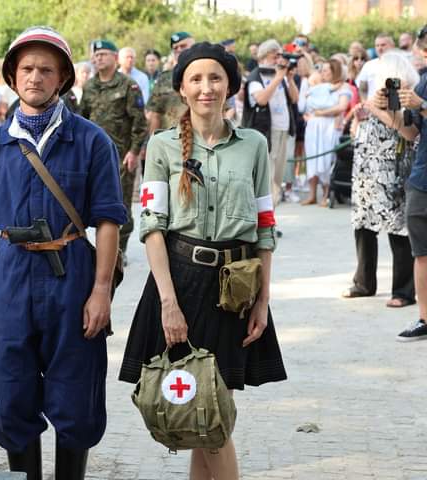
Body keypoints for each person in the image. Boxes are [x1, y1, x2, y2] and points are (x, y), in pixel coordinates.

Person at [0, 26, 126, 480]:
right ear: (13, 77)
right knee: (14, 392)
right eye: (27, 68)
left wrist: (100, 292)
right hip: (12, 276)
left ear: (63, 78)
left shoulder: (92, 141)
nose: (35, 77)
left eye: (46, 69)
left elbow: (109, 220)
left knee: (76, 393)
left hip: (72, 274)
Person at [119, 42, 286, 480]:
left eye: (215, 78)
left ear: (230, 86)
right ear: (182, 88)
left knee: (207, 411)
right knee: (202, 413)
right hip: (180, 284)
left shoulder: (254, 145)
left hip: (234, 290)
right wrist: (168, 303)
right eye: (196, 78)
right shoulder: (161, 146)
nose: (206, 87)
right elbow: (152, 226)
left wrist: (263, 301)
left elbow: (265, 228)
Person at [343, 52, 417, 308]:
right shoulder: (376, 98)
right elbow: (358, 131)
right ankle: (363, 282)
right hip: (366, 171)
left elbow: (408, 132)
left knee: (399, 229)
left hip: (394, 172)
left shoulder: (411, 100)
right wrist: (362, 112)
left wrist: (379, 109)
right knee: (363, 225)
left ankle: (404, 291)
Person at [80, 39, 148, 257]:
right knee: (92, 201)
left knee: (121, 203)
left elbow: (139, 122)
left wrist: (135, 151)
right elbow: (82, 118)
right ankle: (100, 247)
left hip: (121, 155)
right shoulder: (89, 86)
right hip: (93, 155)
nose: (99, 58)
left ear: (115, 57)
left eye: (104, 54)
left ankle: (120, 250)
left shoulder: (128, 85)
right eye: (96, 55)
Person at [242, 39, 299, 206]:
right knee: (266, 180)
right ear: (264, 57)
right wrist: (279, 77)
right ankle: (265, 224)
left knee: (277, 179)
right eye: (275, 57)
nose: (279, 61)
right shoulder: (255, 77)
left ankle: (271, 221)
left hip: (283, 130)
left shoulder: (279, 75)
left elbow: (294, 99)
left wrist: (289, 78)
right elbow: (261, 100)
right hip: (266, 132)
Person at [397, 26, 427, 340]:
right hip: (421, 178)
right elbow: (411, 134)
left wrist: (420, 105)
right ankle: (423, 317)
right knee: (421, 252)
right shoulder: (425, 79)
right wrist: (394, 108)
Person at [300, 59, 352, 206]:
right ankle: (312, 195)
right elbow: (306, 105)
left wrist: (322, 112)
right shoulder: (318, 87)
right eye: (322, 70)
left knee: (327, 157)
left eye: (326, 70)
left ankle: (326, 195)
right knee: (312, 157)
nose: (322, 72)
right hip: (313, 126)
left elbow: (342, 106)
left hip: (329, 126)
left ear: (334, 71)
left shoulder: (344, 87)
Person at [147, 31, 194, 132]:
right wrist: (152, 143)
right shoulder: (164, 78)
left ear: (193, 46)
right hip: (169, 141)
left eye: (183, 46)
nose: (179, 50)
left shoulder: (205, 74)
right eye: (175, 48)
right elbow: (155, 114)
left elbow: (224, 110)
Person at [356, 34, 395, 100]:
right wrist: (365, 103)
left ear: (392, 46)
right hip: (372, 107)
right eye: (377, 45)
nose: (380, 48)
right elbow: (362, 88)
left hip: (395, 107)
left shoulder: (400, 64)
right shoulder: (369, 65)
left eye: (383, 45)